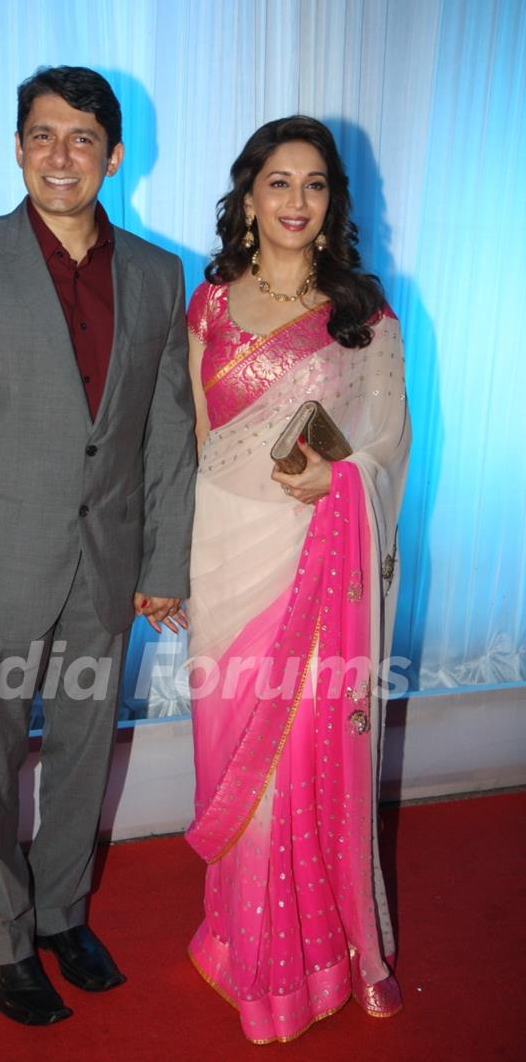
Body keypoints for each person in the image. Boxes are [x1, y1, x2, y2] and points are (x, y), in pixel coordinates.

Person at [0, 65, 195, 1027]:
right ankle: (1, 936)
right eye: (40, 134)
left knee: (79, 749)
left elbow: (165, 433)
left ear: (114, 155)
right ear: (17, 147)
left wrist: (162, 563)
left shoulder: (157, 274)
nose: (58, 155)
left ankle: (63, 911)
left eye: (80, 138)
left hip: (105, 568)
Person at [185, 116, 410, 1044]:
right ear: (249, 196)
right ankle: (241, 940)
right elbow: (194, 440)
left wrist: (339, 481)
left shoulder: (365, 314)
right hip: (223, 556)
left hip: (319, 563)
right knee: (234, 754)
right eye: (278, 182)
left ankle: (308, 957)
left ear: (333, 205)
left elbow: (390, 446)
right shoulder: (207, 307)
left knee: (301, 767)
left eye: (315, 184)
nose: (295, 201)